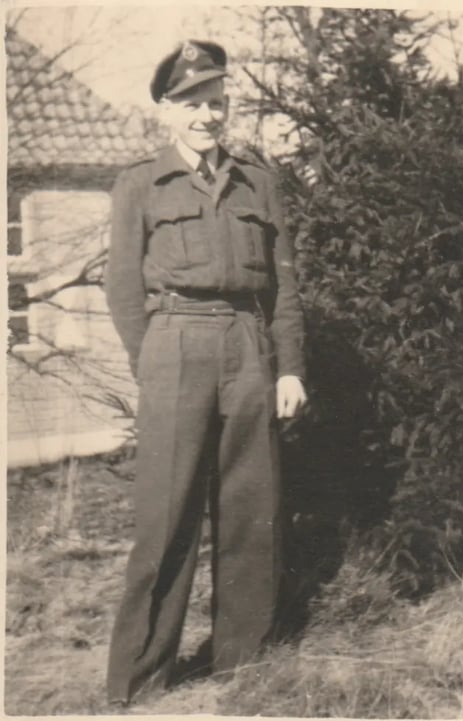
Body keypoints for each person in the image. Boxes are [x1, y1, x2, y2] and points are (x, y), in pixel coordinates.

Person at [105, 39, 307, 706]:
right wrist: (153, 362)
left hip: (249, 343)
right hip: (174, 344)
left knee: (253, 512)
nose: (208, 116)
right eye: (193, 104)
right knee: (164, 519)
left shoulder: (259, 183)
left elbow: (284, 288)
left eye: (217, 103)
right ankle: (139, 677)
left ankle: (241, 667)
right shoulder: (140, 183)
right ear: (167, 109)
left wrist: (289, 369)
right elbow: (123, 291)